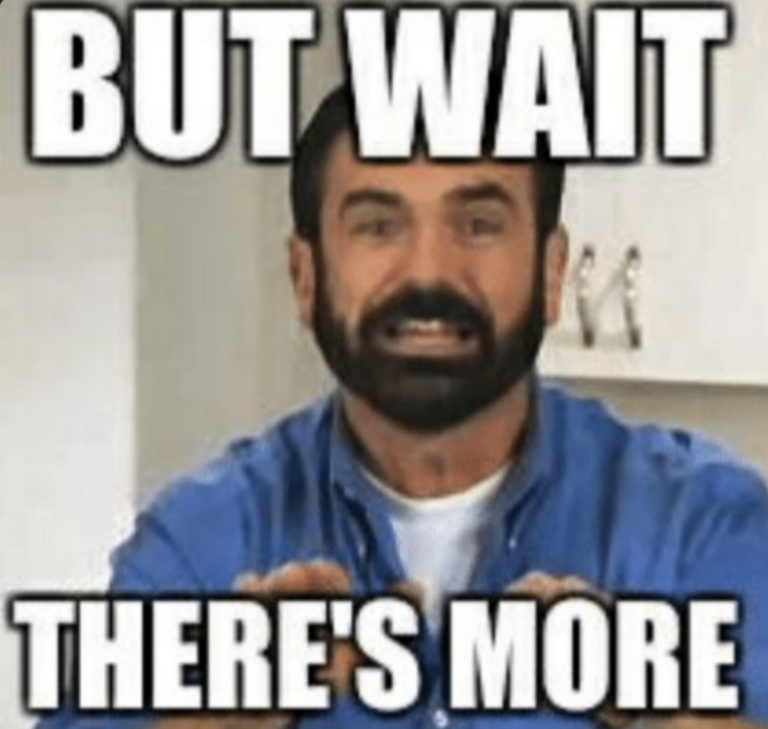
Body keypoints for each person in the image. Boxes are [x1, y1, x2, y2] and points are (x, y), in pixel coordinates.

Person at [36, 82, 768, 729]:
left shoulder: (701, 522)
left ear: (551, 274)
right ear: (304, 277)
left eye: (478, 224)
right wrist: (226, 709)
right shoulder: (200, 541)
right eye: (378, 226)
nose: (428, 272)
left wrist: (650, 699)